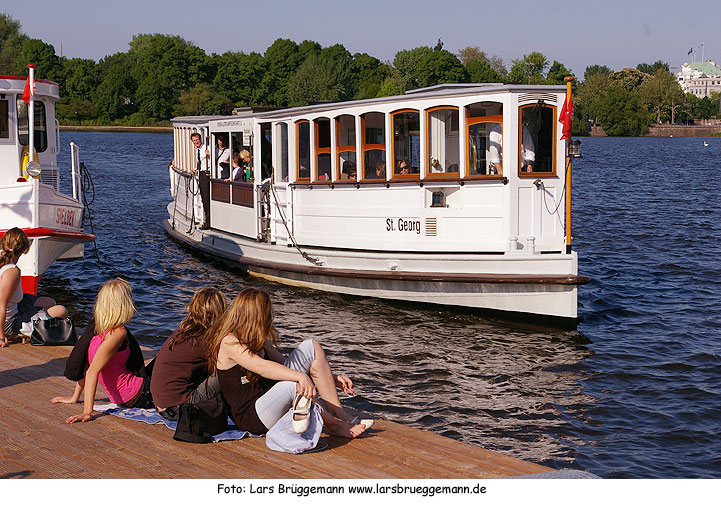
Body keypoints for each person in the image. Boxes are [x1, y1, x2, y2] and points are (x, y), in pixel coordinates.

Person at [206, 287, 370, 438]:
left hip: (272, 400)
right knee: (293, 383)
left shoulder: (259, 339)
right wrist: (300, 377)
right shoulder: (229, 342)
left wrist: (330, 378)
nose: (269, 317)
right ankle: (333, 424)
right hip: (252, 416)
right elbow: (261, 367)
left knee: (311, 347)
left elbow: (283, 365)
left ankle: (338, 413)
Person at [52, 278, 154, 423]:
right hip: (137, 396)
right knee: (169, 357)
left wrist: (75, 397)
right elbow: (92, 371)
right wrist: (88, 412)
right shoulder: (118, 333)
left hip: (127, 395)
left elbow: (86, 363)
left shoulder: (97, 329)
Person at [150, 288, 226, 421]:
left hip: (162, 404)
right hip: (177, 408)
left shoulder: (184, 331)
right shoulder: (204, 339)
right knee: (229, 365)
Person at [0, 228, 68, 347]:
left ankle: (40, 317)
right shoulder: (11, 272)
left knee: (50, 302)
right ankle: (29, 328)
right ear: (25, 249)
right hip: (10, 321)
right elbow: (1, 304)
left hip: (18, 305)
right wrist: (1, 336)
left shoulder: (5, 264)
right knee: (61, 311)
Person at [190, 132, 211, 229]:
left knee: (206, 196)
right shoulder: (197, 150)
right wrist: (195, 169)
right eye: (194, 141)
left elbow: (212, 160)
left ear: (200, 139)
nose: (196, 142)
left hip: (206, 173)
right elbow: (200, 162)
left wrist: (209, 155)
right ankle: (207, 218)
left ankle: (208, 220)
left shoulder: (207, 148)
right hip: (201, 173)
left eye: (197, 140)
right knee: (203, 196)